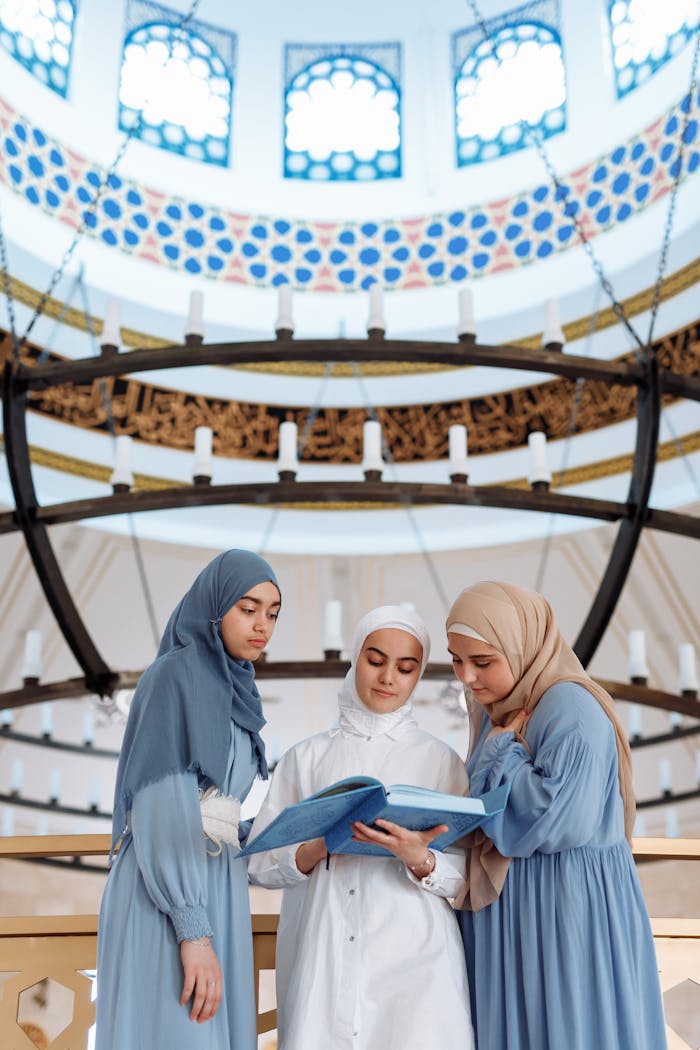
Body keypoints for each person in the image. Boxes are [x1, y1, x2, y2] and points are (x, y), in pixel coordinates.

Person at [446, 581, 667, 1050]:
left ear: (522, 647)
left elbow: (558, 817)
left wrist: (501, 752)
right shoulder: (493, 709)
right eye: (457, 660)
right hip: (514, 911)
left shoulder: (572, 707)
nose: (466, 676)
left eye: (482, 662)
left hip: (566, 905)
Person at [247, 605, 475, 1050]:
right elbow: (258, 861)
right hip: (324, 953)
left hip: (417, 959)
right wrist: (316, 847)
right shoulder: (305, 758)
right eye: (375, 660)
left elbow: (468, 876)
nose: (388, 677)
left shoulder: (440, 760)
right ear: (355, 659)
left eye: (406, 668)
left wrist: (419, 857)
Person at [95, 549, 281, 1050]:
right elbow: (159, 804)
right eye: (248, 608)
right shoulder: (172, 677)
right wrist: (192, 931)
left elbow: (217, 805)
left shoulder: (238, 690)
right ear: (215, 606)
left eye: (272, 612)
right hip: (167, 892)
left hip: (215, 882)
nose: (262, 624)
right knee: (178, 1030)